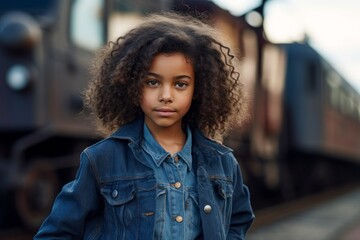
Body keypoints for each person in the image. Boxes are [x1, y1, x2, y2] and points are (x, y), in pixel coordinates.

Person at [34, 12, 254, 240]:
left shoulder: (222, 162)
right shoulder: (102, 159)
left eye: (180, 84)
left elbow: (238, 219)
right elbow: (56, 233)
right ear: (132, 85)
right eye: (152, 82)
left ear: (198, 91)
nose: (166, 96)